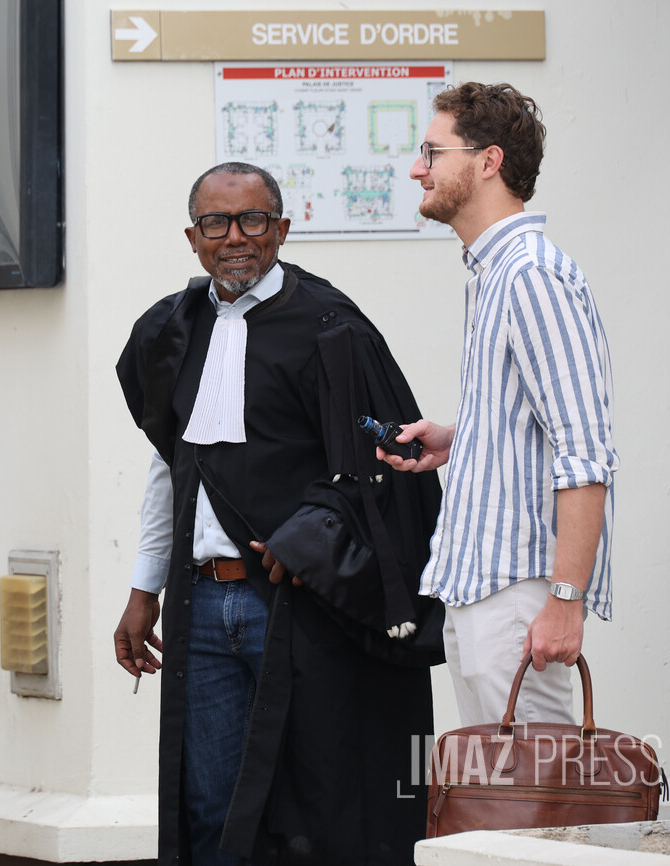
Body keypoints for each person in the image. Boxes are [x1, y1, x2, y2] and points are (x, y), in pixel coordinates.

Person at [114, 162, 443, 865]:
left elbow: (380, 470)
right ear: (193, 237)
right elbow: (172, 464)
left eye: (252, 220)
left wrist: (308, 539)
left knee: (309, 808)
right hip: (202, 607)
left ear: (282, 229)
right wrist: (145, 588)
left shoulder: (331, 327)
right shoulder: (173, 330)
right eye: (216, 223)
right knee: (209, 807)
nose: (234, 237)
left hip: (298, 611)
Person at [381, 82, 617, 727]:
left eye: (433, 152)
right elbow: (535, 422)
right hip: (482, 588)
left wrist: (565, 600)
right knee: (496, 786)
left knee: (530, 788)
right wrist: (460, 438)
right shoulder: (493, 273)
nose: (417, 168)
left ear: (489, 161)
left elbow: (585, 451)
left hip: (517, 595)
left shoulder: (530, 274)